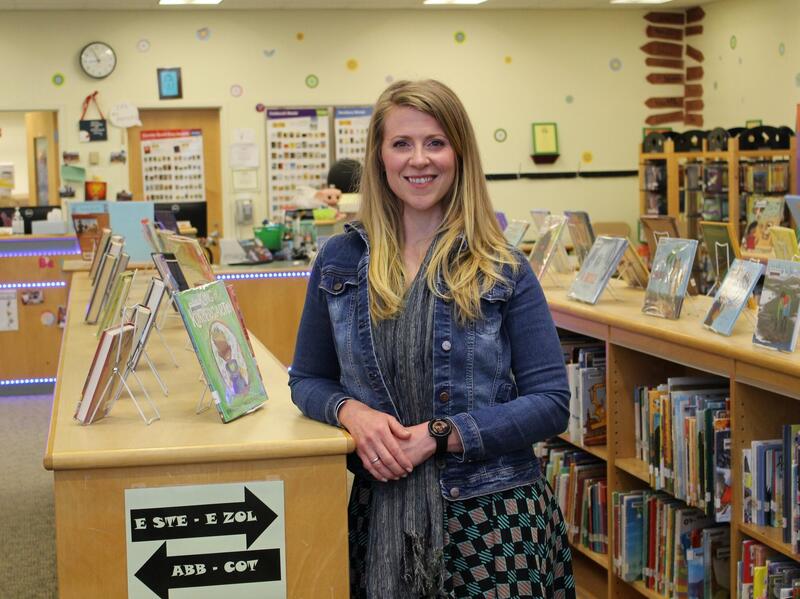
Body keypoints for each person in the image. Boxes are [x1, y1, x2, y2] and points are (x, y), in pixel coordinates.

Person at [289, 79, 574, 599]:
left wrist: (439, 434)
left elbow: (551, 403)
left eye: (435, 143)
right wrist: (352, 413)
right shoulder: (340, 260)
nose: (419, 160)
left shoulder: (502, 265)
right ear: (380, 157)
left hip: (495, 522)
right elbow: (307, 379)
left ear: (459, 153)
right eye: (402, 144)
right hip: (379, 516)